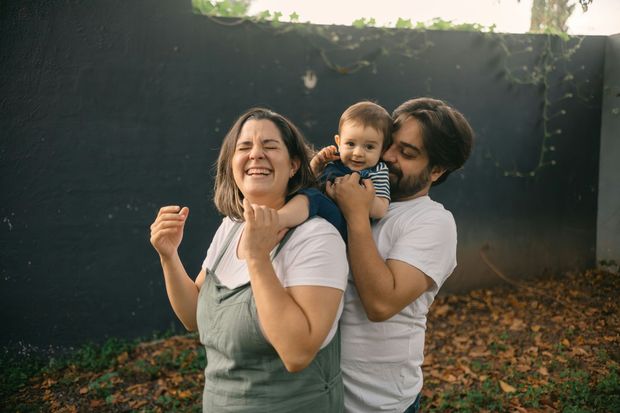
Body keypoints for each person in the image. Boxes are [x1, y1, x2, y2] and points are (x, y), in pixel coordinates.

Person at [149, 108, 349, 412]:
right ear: (231, 166)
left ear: (294, 164)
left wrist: (258, 257)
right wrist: (168, 255)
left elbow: (297, 353)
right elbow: (194, 318)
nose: (256, 154)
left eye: (269, 146)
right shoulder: (231, 228)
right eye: (244, 147)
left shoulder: (317, 238)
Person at [326, 97, 474, 413]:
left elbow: (381, 304)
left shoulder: (432, 222)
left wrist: (356, 215)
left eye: (407, 153)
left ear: (436, 170)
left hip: (378, 404)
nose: (388, 157)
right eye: (389, 144)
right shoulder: (357, 191)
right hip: (319, 394)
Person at [277, 101, 392, 238]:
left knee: (314, 197)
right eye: (350, 144)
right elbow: (308, 182)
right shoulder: (335, 161)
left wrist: (353, 196)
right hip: (312, 217)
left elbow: (380, 210)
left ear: (383, 149)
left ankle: (277, 221)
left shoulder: (376, 171)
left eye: (369, 147)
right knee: (297, 188)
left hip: (345, 226)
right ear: (338, 142)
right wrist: (317, 164)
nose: (358, 153)